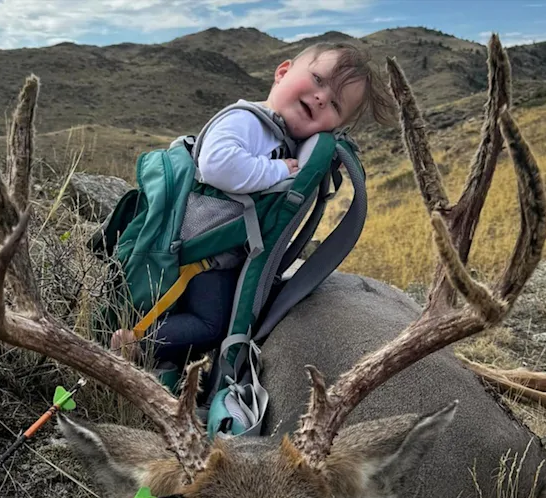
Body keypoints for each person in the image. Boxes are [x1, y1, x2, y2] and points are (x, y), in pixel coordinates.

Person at [111, 42, 395, 366]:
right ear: (283, 72)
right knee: (211, 326)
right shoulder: (247, 121)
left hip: (217, 252)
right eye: (318, 80)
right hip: (200, 253)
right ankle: (135, 344)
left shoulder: (281, 135)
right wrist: (276, 170)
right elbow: (218, 164)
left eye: (334, 104)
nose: (320, 97)